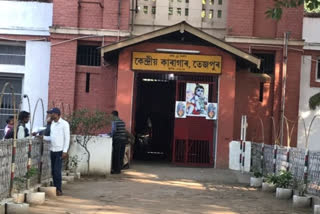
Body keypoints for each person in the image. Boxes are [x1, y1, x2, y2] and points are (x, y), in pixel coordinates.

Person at [42, 107, 70, 196]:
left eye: (52, 113)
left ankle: (59, 189)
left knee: (57, 170)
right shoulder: (52, 124)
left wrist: (65, 151)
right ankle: (56, 187)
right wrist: (42, 137)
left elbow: (67, 138)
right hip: (52, 149)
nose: (50, 115)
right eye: (50, 113)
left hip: (60, 150)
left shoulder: (64, 124)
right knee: (53, 171)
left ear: (57, 114)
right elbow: (51, 138)